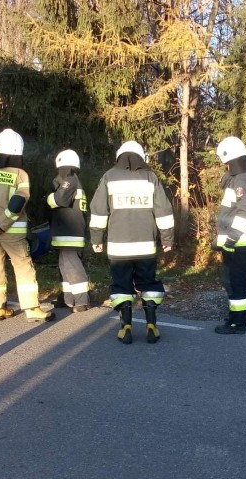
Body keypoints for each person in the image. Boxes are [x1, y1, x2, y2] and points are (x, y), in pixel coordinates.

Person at [89, 141, 174, 344]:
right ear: (141, 157)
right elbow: (163, 210)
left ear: (119, 157)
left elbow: (99, 210)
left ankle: (125, 327)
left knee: (121, 285)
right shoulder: (150, 177)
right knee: (149, 284)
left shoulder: (109, 177)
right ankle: (151, 325)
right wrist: (167, 238)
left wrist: (96, 238)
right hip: (146, 246)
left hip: (119, 248)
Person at [0, 128, 54, 323]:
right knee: (23, 267)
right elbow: (19, 200)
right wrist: (2, 224)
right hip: (12, 233)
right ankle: (32, 309)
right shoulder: (20, 174)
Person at [213, 136, 246, 335]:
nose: (224, 166)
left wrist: (231, 239)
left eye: (225, 162)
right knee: (239, 282)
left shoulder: (243, 179)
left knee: (236, 282)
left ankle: (237, 323)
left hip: (240, 241)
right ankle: (238, 318)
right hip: (241, 241)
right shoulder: (243, 177)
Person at [46, 149, 90, 313]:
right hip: (66, 232)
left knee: (73, 267)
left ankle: (81, 301)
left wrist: (48, 198)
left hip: (70, 233)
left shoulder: (70, 180)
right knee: (65, 266)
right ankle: (68, 299)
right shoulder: (72, 181)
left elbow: (59, 199)